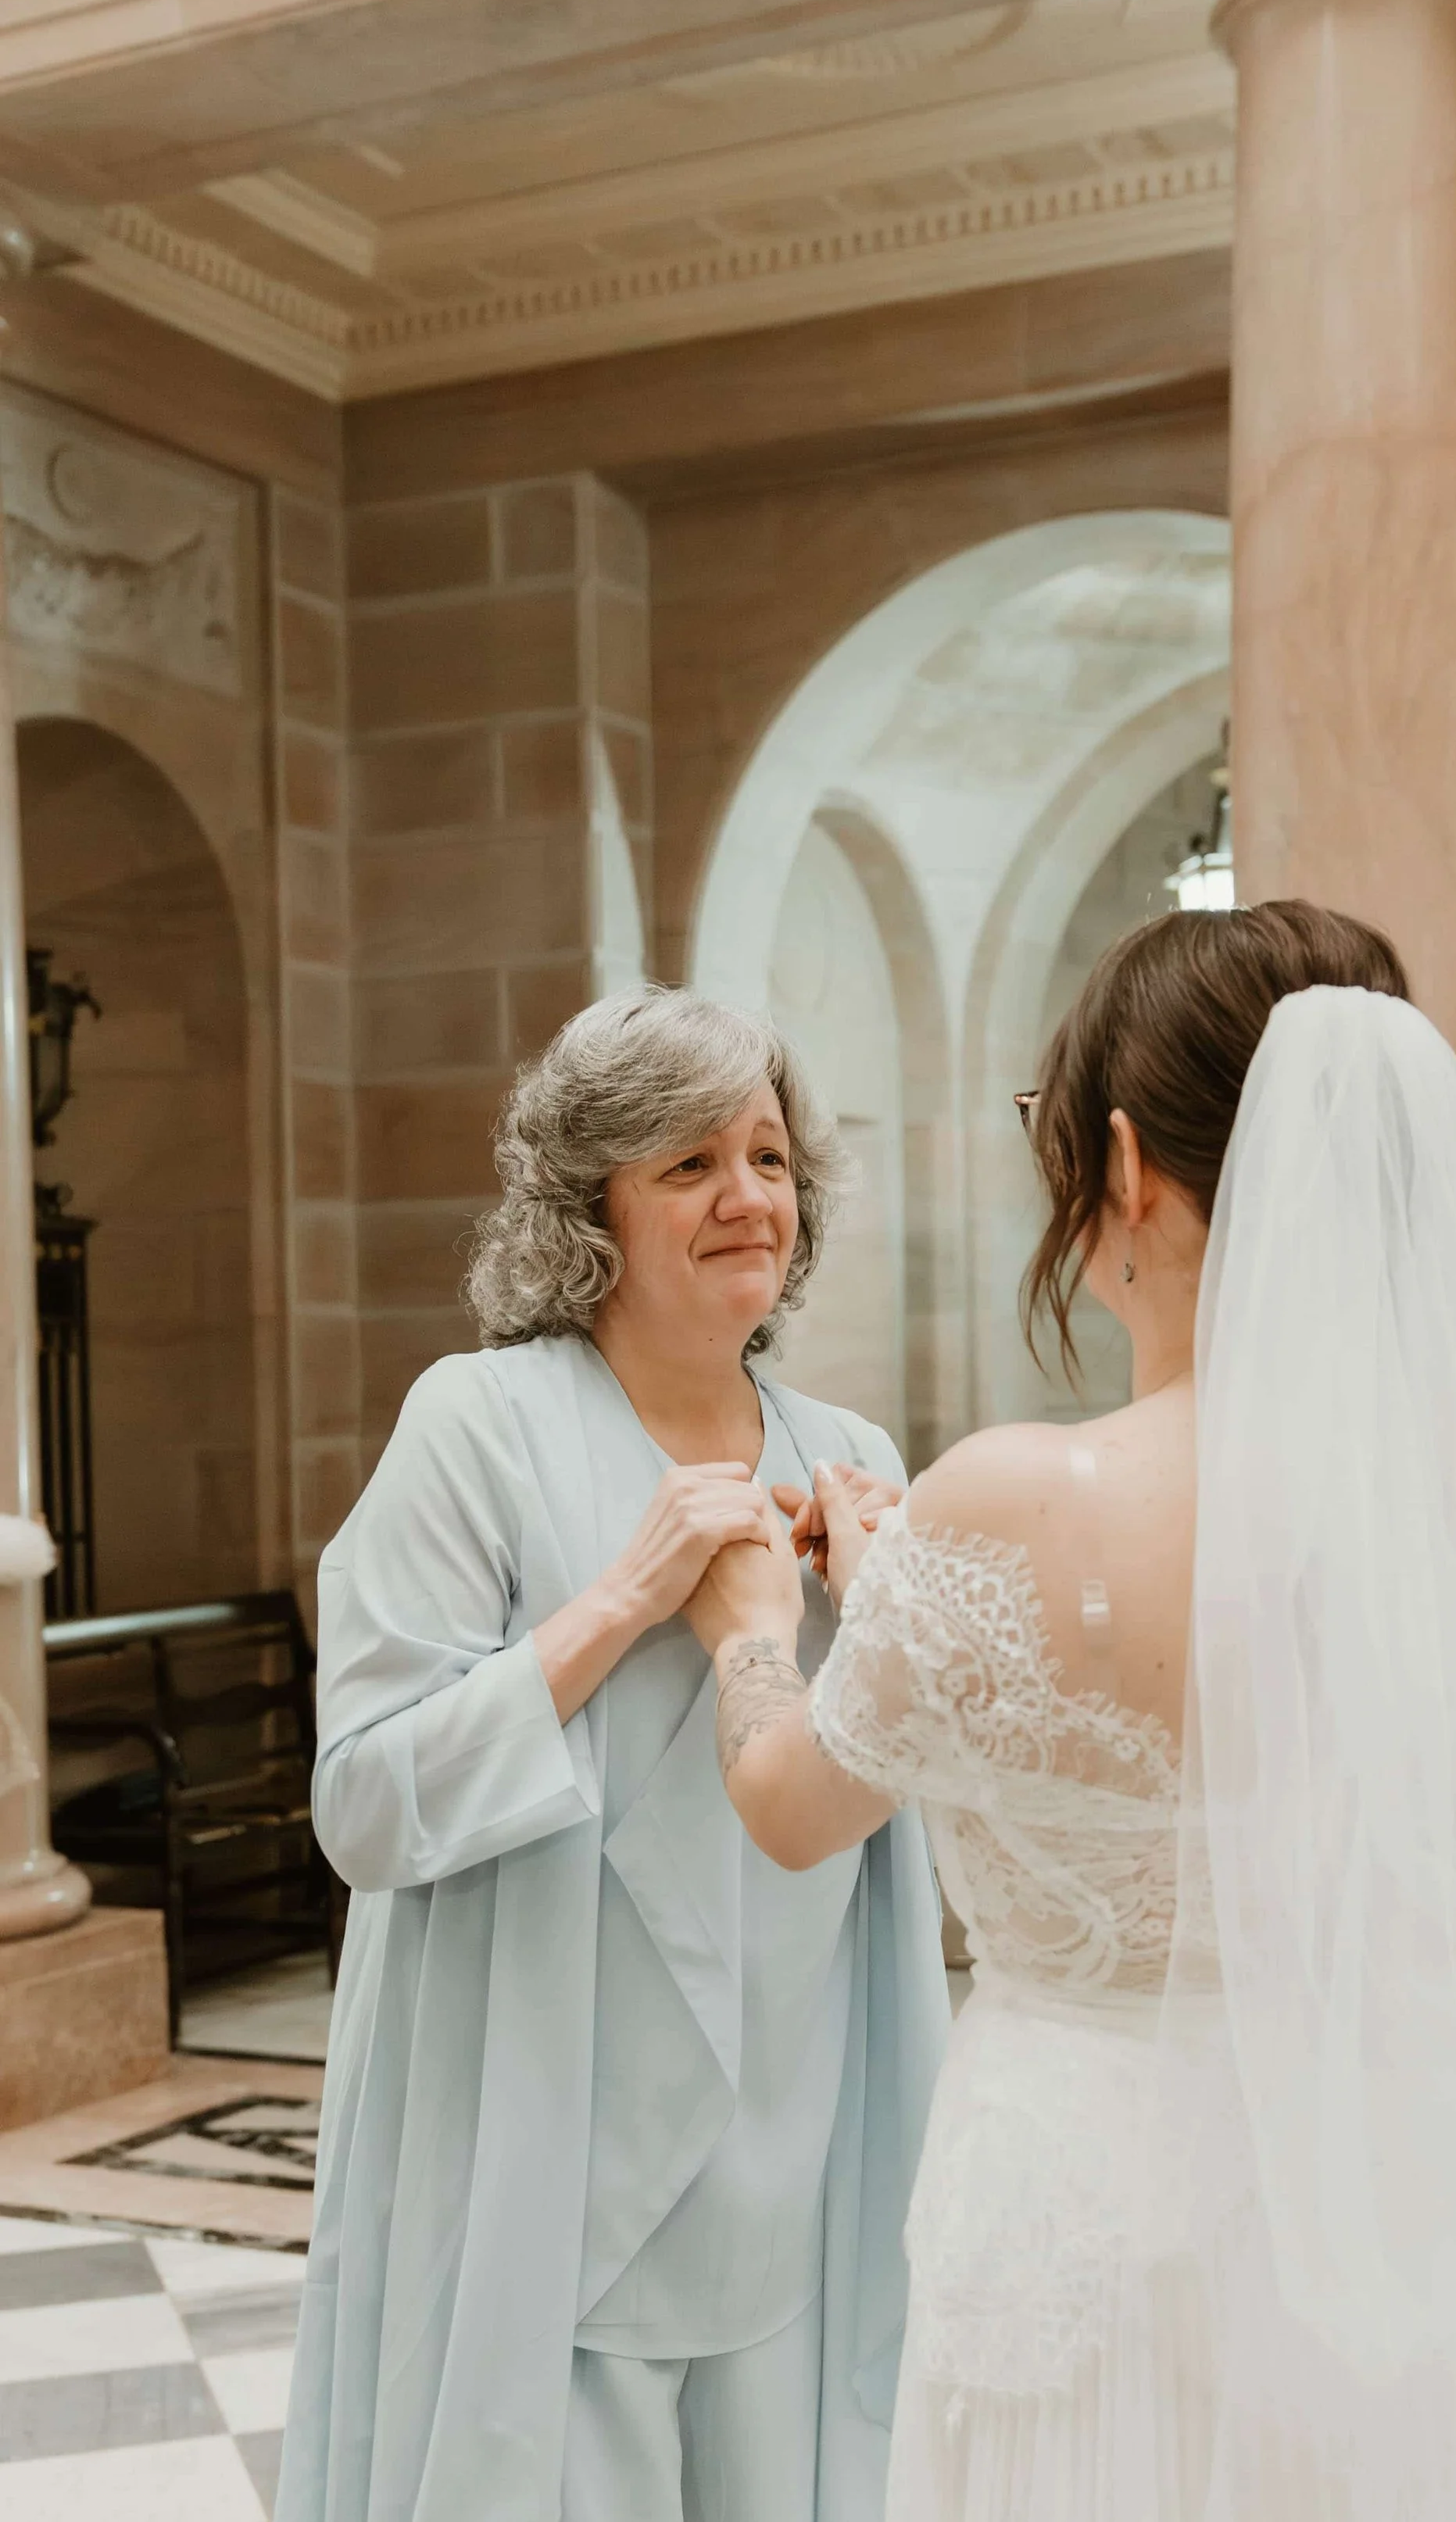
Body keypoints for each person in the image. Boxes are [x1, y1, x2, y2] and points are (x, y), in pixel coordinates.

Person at [687, 899, 1456, 2522]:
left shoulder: (1008, 1500)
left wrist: (763, 1624)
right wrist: (913, 1586)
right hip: (1390, 2200)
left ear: (1122, 1166)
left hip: (1082, 2206)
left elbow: (792, 1808)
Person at [278, 988, 950, 2522]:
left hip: (795, 2117)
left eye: (769, 1158)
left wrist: (891, 1606)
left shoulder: (852, 1452)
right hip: (543, 2126)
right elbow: (364, 1805)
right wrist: (626, 1599)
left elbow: (897, 1797)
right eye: (688, 1163)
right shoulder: (479, 1424)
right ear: (592, 1203)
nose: (746, 1199)